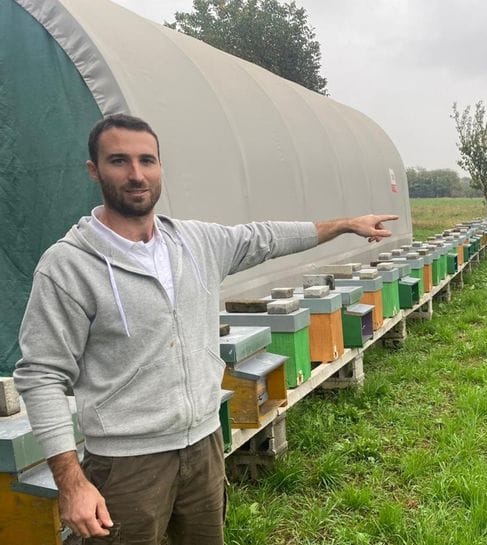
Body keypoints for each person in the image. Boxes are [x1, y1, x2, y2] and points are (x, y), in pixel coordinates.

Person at [13, 113, 398, 544]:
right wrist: (72, 483)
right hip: (127, 465)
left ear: (160, 167)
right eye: (119, 161)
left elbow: (266, 237)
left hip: (204, 447)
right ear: (94, 170)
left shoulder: (196, 243)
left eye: (147, 160)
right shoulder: (68, 265)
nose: (137, 174)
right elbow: (42, 375)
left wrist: (345, 224)